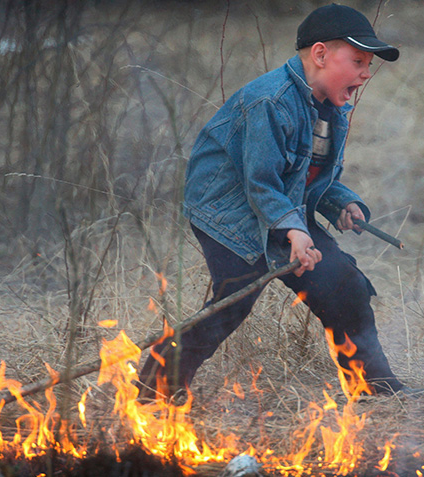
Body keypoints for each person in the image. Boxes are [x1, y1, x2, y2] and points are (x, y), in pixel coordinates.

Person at [137, 3, 406, 402]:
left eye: (368, 64)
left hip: (281, 206)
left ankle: (377, 390)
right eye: (358, 61)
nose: (366, 73)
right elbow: (260, 183)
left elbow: (309, 174)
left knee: (344, 286)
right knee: (233, 301)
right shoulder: (270, 101)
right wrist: (294, 230)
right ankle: (155, 389)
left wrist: (341, 204)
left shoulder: (331, 109)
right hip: (230, 213)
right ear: (319, 55)